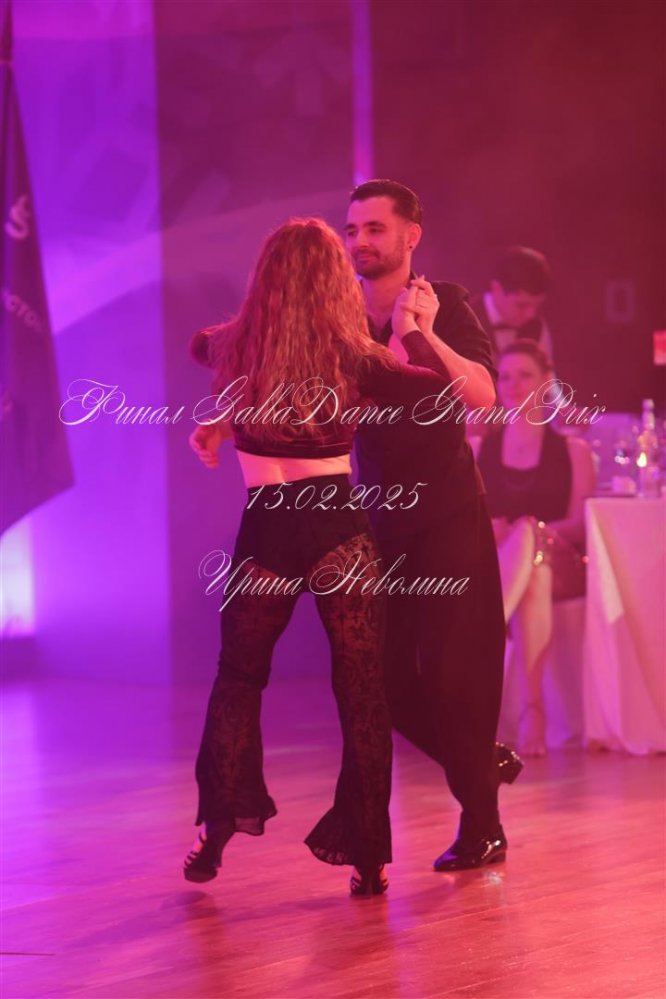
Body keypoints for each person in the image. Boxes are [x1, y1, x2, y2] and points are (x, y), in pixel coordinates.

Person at [184, 217, 456, 896]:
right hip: (337, 527)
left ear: (265, 276)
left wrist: (221, 421)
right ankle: (369, 857)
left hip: (267, 531)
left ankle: (216, 827)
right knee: (361, 691)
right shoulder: (358, 357)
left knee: (238, 678)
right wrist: (414, 327)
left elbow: (204, 347)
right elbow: (435, 387)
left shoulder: (229, 344)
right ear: (337, 281)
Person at [343, 179, 521, 872]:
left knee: (456, 675)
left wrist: (419, 334)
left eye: (374, 228)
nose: (360, 241)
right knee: (384, 681)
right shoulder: (339, 315)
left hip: (448, 513)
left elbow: (483, 395)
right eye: (352, 229)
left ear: (410, 235)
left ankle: (483, 826)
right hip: (379, 519)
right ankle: (479, 762)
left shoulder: (445, 301)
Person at [474, 340, 596, 755]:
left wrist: (530, 530)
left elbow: (580, 524)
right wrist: (504, 534)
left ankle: (486, 630)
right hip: (511, 567)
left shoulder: (573, 450)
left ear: (546, 381)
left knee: (531, 537)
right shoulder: (482, 449)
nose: (513, 385)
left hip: (564, 562)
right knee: (534, 576)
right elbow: (475, 525)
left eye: (524, 375)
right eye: (505, 377)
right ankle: (533, 714)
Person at [471, 246, 553, 363]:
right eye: (522, 305)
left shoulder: (538, 327)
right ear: (496, 288)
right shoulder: (465, 318)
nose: (531, 314)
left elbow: (547, 373)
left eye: (537, 305)